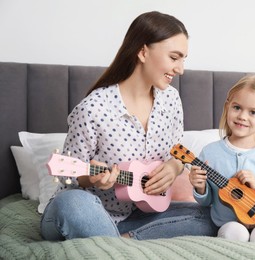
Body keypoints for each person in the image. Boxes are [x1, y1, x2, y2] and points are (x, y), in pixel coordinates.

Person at [41, 11, 217, 241]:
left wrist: (174, 168)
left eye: (184, 59)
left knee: (212, 216)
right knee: (72, 203)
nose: (181, 69)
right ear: (143, 52)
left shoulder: (171, 100)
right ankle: (122, 243)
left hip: (138, 215)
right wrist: (93, 179)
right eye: (174, 58)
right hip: (88, 211)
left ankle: (125, 240)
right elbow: (70, 177)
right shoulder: (94, 108)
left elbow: (176, 152)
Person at [189, 75, 255, 244]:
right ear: (227, 107)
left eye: (253, 112)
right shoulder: (210, 153)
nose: (242, 116)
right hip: (229, 222)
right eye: (237, 107)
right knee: (233, 235)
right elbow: (208, 201)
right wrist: (200, 188)